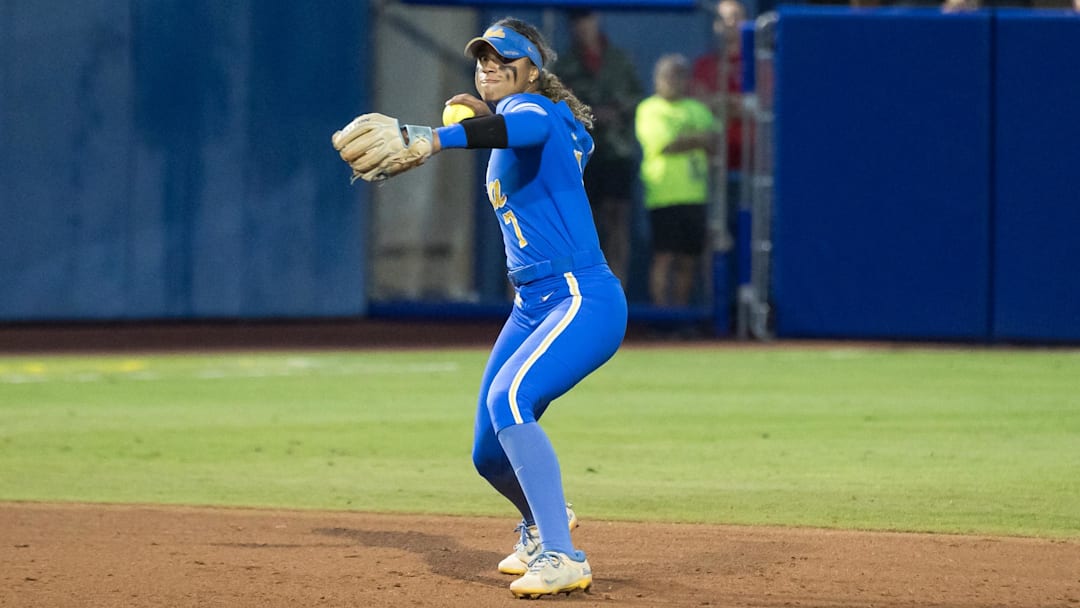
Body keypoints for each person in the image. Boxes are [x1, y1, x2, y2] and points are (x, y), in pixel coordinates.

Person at [331, 17, 627, 600]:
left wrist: (431, 136)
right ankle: (543, 524)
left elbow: (527, 125)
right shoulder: (529, 121)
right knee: (487, 452)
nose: (488, 65)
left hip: (578, 296)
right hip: (530, 306)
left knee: (509, 398)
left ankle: (565, 558)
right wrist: (482, 117)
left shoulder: (537, 110)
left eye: (502, 58)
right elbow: (532, 137)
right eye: (482, 58)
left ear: (533, 71)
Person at [557, 10, 644, 284]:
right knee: (583, 222)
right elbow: (557, 104)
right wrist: (591, 114)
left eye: (587, 20)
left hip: (616, 152)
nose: (582, 27)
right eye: (577, 21)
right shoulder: (565, 64)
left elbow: (636, 97)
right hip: (580, 156)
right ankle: (586, 287)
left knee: (617, 220)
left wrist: (616, 110)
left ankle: (618, 287)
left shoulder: (619, 60)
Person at [635, 54, 718, 307]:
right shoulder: (649, 108)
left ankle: (680, 317)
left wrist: (693, 139)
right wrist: (698, 139)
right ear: (657, 79)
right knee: (664, 256)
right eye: (667, 76)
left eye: (678, 76)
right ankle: (662, 317)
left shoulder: (697, 109)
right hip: (664, 195)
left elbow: (715, 140)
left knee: (688, 258)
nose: (672, 82)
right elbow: (666, 143)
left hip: (694, 194)